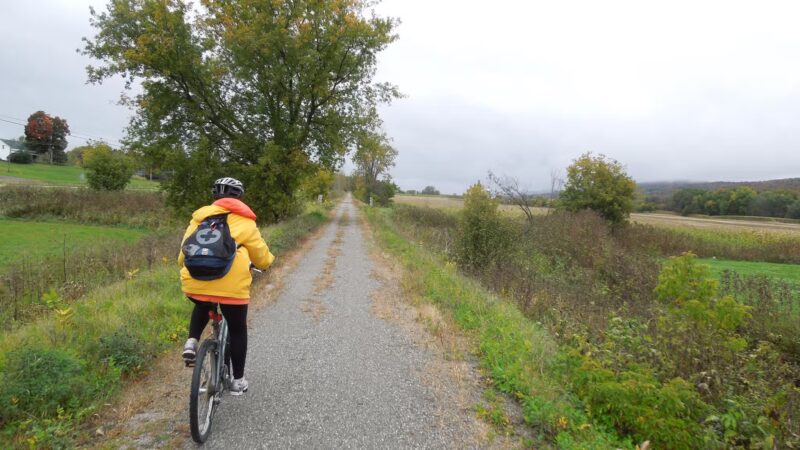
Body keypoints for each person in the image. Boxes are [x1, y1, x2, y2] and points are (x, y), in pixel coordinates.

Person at [178, 177, 274, 395]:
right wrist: (267, 264)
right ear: (239, 197)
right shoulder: (246, 222)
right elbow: (262, 257)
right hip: (232, 287)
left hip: (195, 280)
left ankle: (192, 342)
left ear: (215, 197)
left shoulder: (198, 218)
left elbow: (182, 254)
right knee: (238, 328)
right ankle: (238, 382)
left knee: (203, 303)